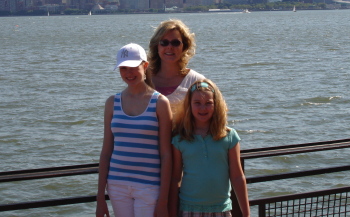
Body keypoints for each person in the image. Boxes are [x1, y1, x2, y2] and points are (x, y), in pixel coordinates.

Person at [96, 43, 173, 217]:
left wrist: (163, 200)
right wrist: (100, 197)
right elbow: (106, 152)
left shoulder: (160, 103)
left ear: (145, 66)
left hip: (149, 185)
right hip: (116, 185)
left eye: (133, 67)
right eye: (123, 68)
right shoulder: (111, 103)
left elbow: (166, 154)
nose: (128, 73)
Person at [169, 79, 250, 217]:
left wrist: (246, 214)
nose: (203, 108)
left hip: (221, 209)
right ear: (189, 105)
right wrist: (171, 211)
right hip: (188, 208)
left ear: (216, 105)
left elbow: (237, 177)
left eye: (208, 103)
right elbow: (176, 177)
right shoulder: (180, 138)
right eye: (197, 103)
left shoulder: (230, 136)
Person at [148, 19, 205, 115]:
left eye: (175, 43)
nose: (169, 47)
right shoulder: (144, 80)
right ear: (157, 46)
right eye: (164, 42)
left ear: (184, 46)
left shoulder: (196, 81)